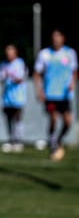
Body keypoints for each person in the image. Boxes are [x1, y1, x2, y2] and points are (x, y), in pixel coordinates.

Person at [33, 28, 78, 161]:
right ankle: (53, 144)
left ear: (63, 38)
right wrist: (39, 90)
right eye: (54, 37)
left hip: (65, 95)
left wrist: (72, 83)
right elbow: (36, 73)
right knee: (53, 119)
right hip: (50, 94)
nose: (56, 39)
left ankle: (58, 140)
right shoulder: (45, 54)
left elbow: (74, 71)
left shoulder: (70, 53)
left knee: (68, 122)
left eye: (58, 37)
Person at [0, 43, 27, 153]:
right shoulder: (3, 64)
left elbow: (20, 78)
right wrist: (5, 75)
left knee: (18, 117)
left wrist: (10, 75)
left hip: (18, 96)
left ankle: (18, 140)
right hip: (6, 97)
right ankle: (11, 140)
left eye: (11, 52)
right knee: (8, 118)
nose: (9, 54)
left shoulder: (20, 63)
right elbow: (0, 78)